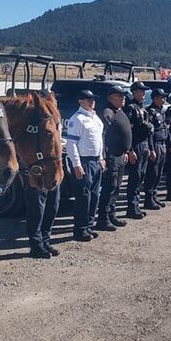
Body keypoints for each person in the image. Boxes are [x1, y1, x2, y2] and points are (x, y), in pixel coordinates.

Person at [65, 90, 106, 242]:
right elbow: (71, 144)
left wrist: (101, 157)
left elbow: (99, 141)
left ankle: (88, 225)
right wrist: (76, 165)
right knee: (83, 197)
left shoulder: (95, 118)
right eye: (88, 99)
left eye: (93, 99)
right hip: (84, 162)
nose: (92, 102)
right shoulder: (77, 119)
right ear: (80, 101)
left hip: (95, 161)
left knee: (94, 196)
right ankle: (80, 230)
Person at [99, 86, 132, 231]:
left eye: (124, 96)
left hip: (121, 155)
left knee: (117, 187)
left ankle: (112, 215)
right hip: (112, 156)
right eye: (120, 96)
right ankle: (103, 219)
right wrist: (105, 156)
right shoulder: (108, 112)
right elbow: (103, 134)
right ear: (111, 97)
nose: (123, 98)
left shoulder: (120, 111)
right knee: (109, 188)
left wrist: (127, 150)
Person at [123, 82, 154, 217]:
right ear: (134, 92)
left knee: (141, 176)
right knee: (134, 177)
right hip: (135, 145)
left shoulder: (143, 108)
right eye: (141, 91)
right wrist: (129, 149)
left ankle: (136, 205)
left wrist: (150, 148)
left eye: (144, 91)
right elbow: (128, 131)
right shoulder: (130, 108)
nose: (143, 94)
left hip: (144, 144)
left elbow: (149, 131)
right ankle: (131, 207)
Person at [144, 89, 171, 204]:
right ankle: (148, 198)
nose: (164, 99)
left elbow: (166, 129)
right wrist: (151, 149)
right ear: (155, 98)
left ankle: (154, 196)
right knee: (152, 173)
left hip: (163, 144)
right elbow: (149, 133)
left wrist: (170, 143)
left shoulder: (161, 112)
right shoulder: (150, 112)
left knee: (159, 172)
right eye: (162, 97)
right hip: (155, 145)